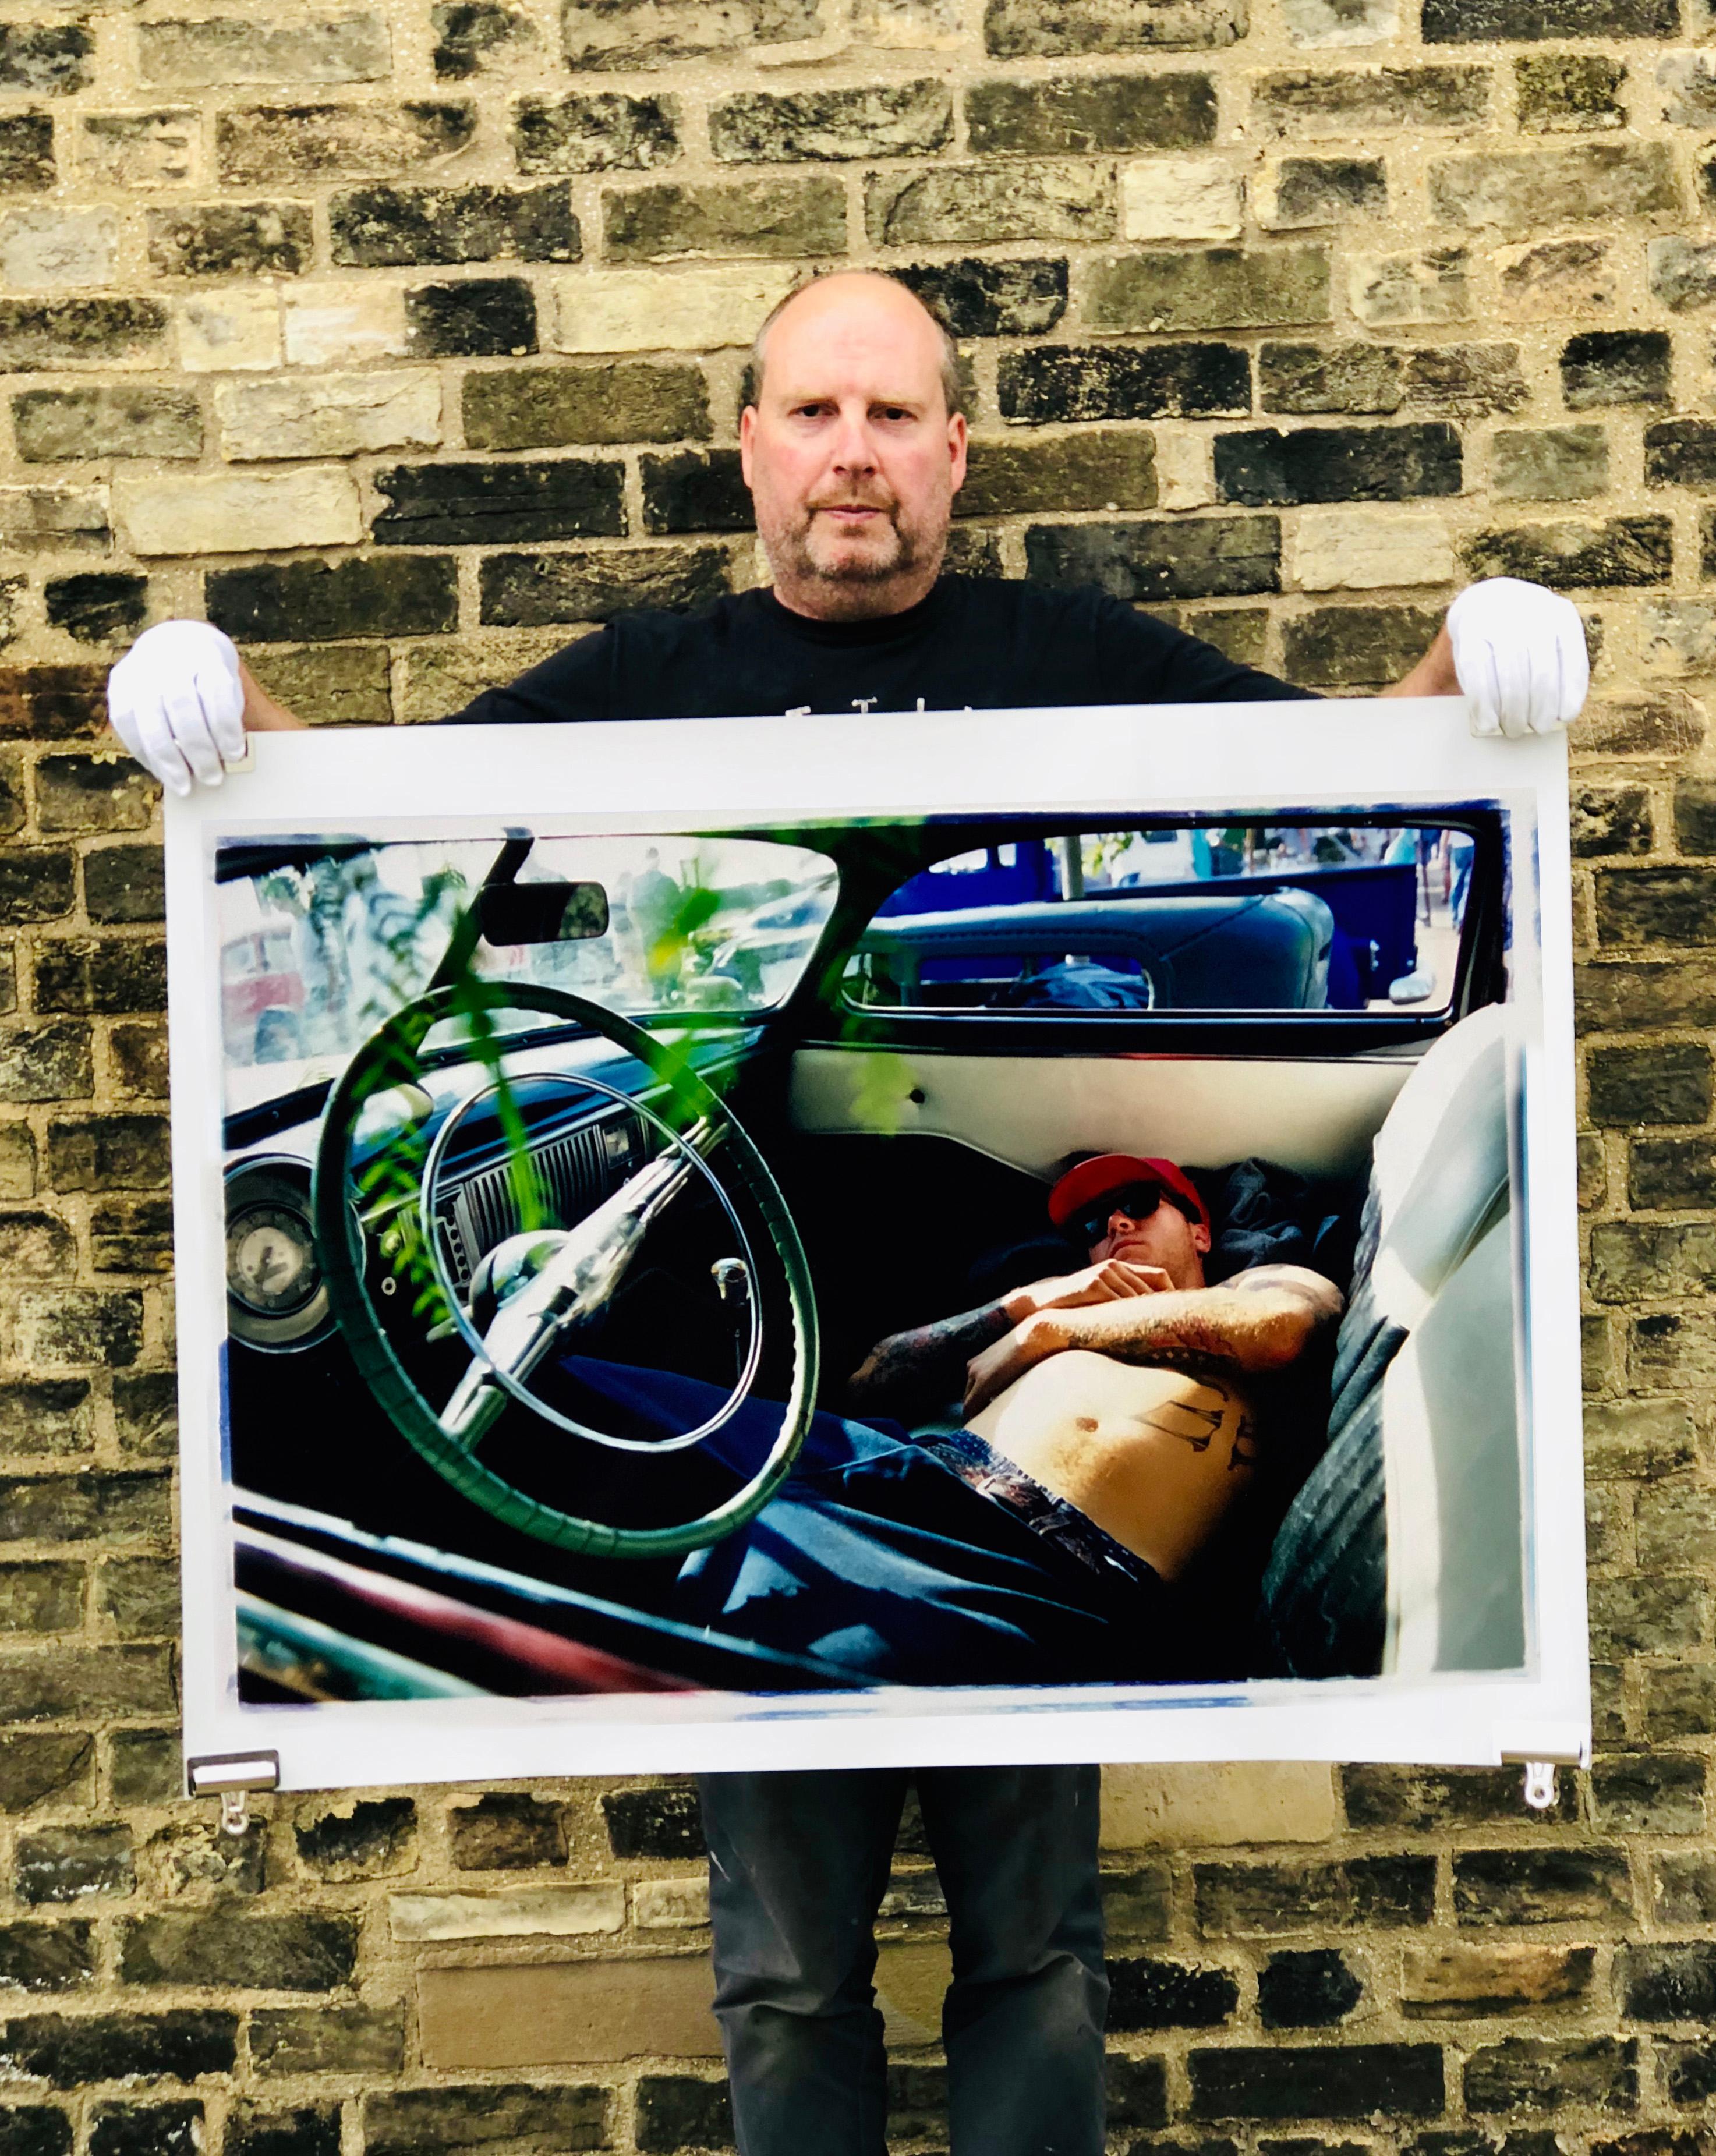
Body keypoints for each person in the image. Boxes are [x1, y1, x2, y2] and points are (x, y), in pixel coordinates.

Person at [106, 268, 1591, 2156]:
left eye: (893, 415)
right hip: (830, 1443)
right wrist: (224, 712)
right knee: (786, 1971)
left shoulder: (1076, 660)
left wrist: (1470, 671)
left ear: (955, 451)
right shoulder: (639, 692)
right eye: (814, 412)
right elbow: (368, 819)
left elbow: (1353, 770)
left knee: (1033, 1953)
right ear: (749, 446)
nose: (853, 454)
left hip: (1009, 1548)